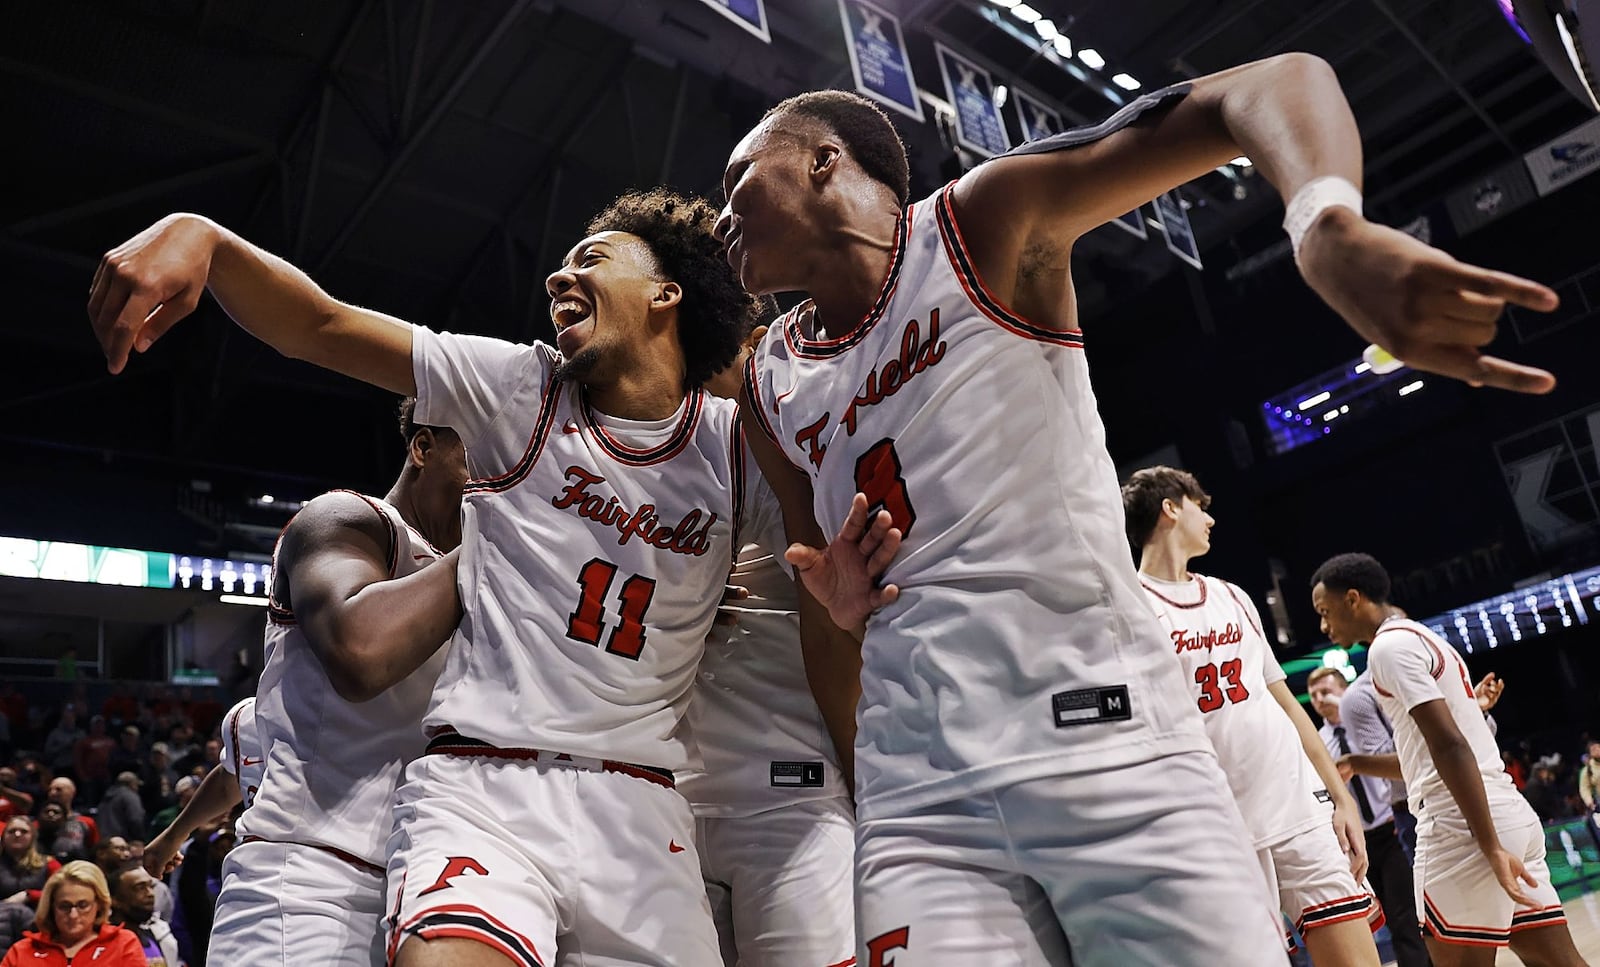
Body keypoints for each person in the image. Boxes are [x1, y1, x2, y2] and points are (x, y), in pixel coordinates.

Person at [718, 50, 1559, 962]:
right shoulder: (768, 380)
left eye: (738, 180)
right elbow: (824, 608)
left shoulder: (982, 224)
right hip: (921, 804)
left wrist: (1324, 223)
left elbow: (1268, 84)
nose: (723, 214)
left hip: (1108, 743)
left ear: (823, 161)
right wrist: (851, 704)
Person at [87, 182, 849, 965]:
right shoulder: (524, 388)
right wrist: (205, 239)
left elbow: (834, 525)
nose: (558, 278)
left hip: (641, 805)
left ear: (666, 292)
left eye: (591, 258)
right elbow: (321, 324)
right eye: (559, 265)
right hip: (485, 783)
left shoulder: (731, 449)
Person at [204, 400, 465, 967]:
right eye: (482, 456)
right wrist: (509, 536)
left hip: (424, 885)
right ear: (423, 448)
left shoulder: (473, 571)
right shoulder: (345, 519)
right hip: (307, 881)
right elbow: (359, 655)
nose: (502, 477)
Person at [1122, 466, 1379, 965]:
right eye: (1202, 505)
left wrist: (1340, 798)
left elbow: (1285, 703)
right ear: (1170, 508)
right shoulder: (1129, 608)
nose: (1212, 519)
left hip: (1297, 808)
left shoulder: (1232, 596)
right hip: (1218, 829)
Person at [1311, 553, 1588, 967]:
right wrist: (1356, 761)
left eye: (1325, 612)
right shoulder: (1422, 637)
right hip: (1508, 813)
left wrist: (1490, 845)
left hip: (1462, 828)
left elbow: (1451, 746)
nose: (1323, 626)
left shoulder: (1388, 649)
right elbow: (1426, 756)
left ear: (1354, 599)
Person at [683, 328, 857, 966]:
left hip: (796, 798)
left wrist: (874, 790)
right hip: (673, 803)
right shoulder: (663, 452)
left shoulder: (825, 443)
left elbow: (851, 648)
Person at [1307, 667, 1433, 967]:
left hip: (1392, 826)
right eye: (1313, 695)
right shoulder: (1319, 741)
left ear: (1344, 689)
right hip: (1358, 841)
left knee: (1406, 916)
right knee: (1385, 917)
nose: (1320, 699)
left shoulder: (1365, 717)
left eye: (1326, 691)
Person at [0, 861, 144, 966]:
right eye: (64, 906)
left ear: (99, 905)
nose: (73, 915)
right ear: (51, 907)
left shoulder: (123, 943)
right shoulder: (22, 951)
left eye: (83, 905)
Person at [108, 867, 179, 967]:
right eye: (140, 888)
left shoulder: (150, 935)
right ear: (115, 900)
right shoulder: (107, 943)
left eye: (151, 886)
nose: (150, 894)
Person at [0, 817, 60, 909]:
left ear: (32, 837)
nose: (17, 834)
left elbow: (62, 893)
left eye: (24, 831)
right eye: (11, 831)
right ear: (3, 837)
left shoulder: (50, 864)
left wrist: (30, 896)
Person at [99, 774, 147, 843]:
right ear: (132, 784)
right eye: (137, 785)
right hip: (124, 841)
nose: (137, 788)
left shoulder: (106, 795)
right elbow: (136, 819)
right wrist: (140, 838)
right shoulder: (130, 796)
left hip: (105, 840)